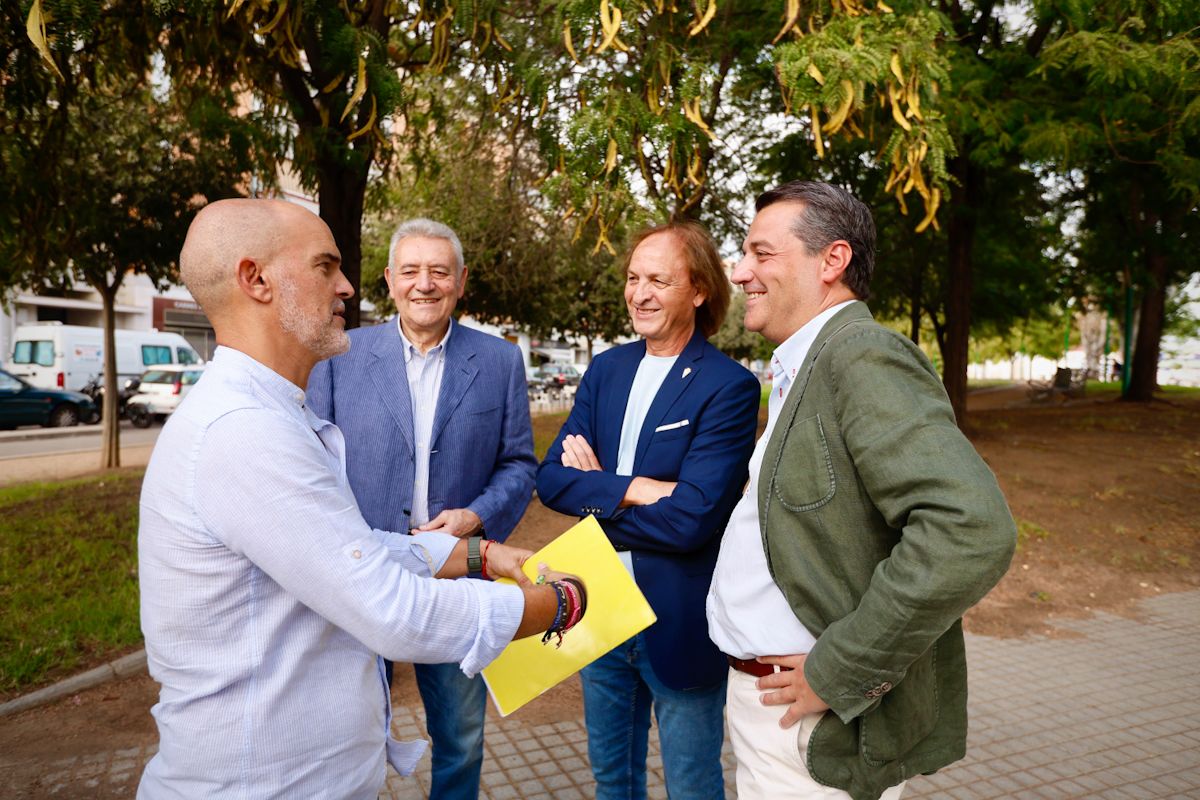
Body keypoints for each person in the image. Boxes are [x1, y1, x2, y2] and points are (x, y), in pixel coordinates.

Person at [137, 198, 584, 799]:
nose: (346, 286)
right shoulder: (244, 432)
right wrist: (558, 605)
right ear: (256, 280)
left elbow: (346, 546)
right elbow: (393, 610)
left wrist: (476, 554)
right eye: (325, 266)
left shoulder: (268, 414)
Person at [705, 181, 1016, 800]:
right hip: (777, 711)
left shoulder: (859, 355)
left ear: (832, 260)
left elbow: (970, 529)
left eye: (761, 253)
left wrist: (840, 671)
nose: (739, 272)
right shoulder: (809, 363)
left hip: (808, 725)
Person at [306, 217, 535, 800]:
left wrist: (475, 517)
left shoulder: (500, 361)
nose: (424, 284)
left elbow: (518, 464)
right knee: (350, 733)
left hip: (455, 574)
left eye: (439, 271)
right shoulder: (339, 355)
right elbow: (313, 459)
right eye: (410, 271)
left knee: (460, 735)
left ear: (461, 280)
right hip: (361, 571)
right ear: (389, 279)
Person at [536, 220, 760, 800]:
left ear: (700, 290)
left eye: (658, 280)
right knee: (612, 780)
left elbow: (691, 521)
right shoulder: (606, 370)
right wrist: (638, 487)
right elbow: (551, 481)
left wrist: (597, 494)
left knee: (691, 785)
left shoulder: (729, 386)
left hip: (679, 619)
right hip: (599, 609)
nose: (639, 294)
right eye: (634, 278)